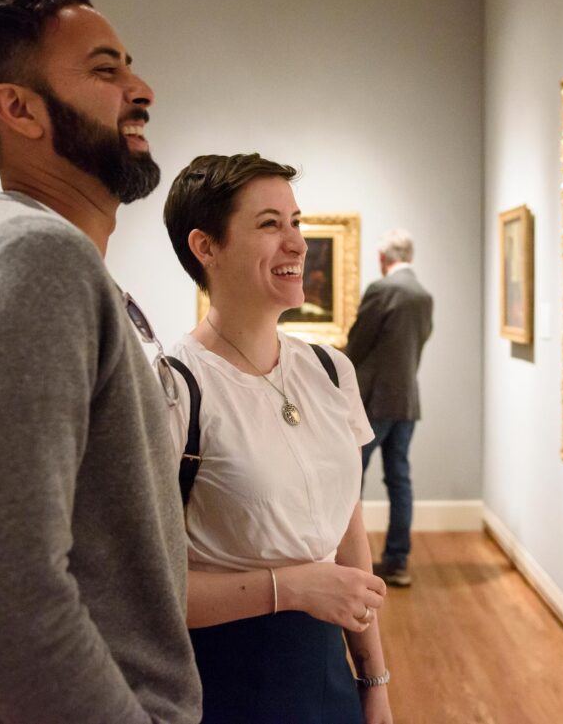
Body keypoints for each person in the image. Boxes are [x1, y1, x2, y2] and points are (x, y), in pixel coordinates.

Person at [0, 0, 200, 723]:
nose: (142, 89)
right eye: (106, 70)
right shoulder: (34, 260)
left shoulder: (1, 251)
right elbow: (3, 609)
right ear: (19, 108)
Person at [163, 153, 393, 724]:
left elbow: (348, 532)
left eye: (296, 222)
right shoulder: (174, 389)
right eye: (270, 225)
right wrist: (291, 588)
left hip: (326, 672)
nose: (297, 243)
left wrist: (374, 680)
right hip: (226, 678)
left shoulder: (331, 371)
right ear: (206, 247)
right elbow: (146, 590)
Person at [344, 229, 434, 588]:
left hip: (374, 401)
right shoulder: (423, 295)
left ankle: (353, 562)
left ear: (383, 259)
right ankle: (397, 561)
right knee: (399, 479)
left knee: (352, 477)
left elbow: (357, 344)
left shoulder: (382, 290)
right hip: (407, 401)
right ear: (409, 256)